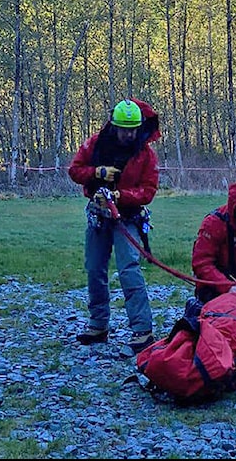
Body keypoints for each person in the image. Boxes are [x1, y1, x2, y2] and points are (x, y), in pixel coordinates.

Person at [68, 98, 161, 354]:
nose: (128, 134)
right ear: (114, 125)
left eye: (132, 129)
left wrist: (122, 196)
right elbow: (75, 170)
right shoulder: (95, 144)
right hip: (98, 215)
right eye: (124, 129)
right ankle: (98, 325)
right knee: (95, 268)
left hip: (127, 219)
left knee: (129, 269)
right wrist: (97, 173)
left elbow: (148, 191)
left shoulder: (146, 154)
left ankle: (143, 330)